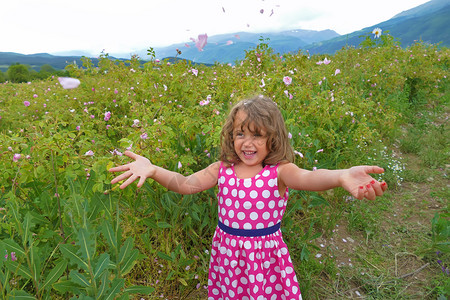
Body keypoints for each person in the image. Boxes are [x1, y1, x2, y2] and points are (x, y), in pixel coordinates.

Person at [109, 95, 388, 300]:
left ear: (273, 139)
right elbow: (184, 184)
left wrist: (340, 175)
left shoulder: (279, 172)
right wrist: (154, 169)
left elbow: (309, 178)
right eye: (239, 133)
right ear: (231, 137)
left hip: (264, 262)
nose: (247, 142)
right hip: (228, 259)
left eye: (257, 135)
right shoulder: (222, 169)